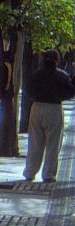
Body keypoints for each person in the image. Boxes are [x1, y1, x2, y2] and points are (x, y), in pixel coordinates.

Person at [22, 49, 75, 183]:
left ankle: (30, 172)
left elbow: (27, 90)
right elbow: (70, 92)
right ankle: (48, 174)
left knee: (35, 142)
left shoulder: (36, 75)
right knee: (53, 143)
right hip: (54, 108)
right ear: (57, 61)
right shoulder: (62, 76)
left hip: (37, 106)